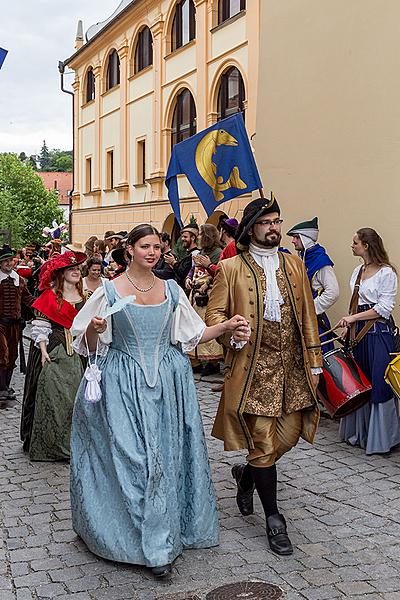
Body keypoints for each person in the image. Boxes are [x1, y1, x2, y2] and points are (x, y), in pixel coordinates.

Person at [70, 224, 249, 579]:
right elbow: (86, 345)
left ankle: (162, 542)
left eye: (156, 246)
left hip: (169, 383)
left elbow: (193, 334)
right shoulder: (109, 290)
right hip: (123, 382)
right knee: (135, 460)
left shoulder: (170, 288)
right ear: (129, 250)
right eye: (144, 246)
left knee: (164, 456)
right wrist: (96, 327)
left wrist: (226, 325)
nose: (152, 252)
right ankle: (146, 543)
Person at [206, 196, 322, 556]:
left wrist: (315, 361)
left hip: (292, 370)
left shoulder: (294, 264)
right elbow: (214, 317)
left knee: (288, 436)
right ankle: (274, 518)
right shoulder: (231, 269)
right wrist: (231, 333)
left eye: (277, 221)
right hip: (252, 370)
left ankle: (247, 477)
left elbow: (307, 316)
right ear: (251, 228)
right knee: (263, 445)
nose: (274, 227)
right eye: (266, 222)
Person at [337, 228, 400, 455]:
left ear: (366, 245)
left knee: (379, 384)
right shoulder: (357, 271)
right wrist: (348, 328)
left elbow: (384, 309)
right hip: (357, 335)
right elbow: (355, 304)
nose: (352, 245)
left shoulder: (387, 274)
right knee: (358, 383)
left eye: (355, 242)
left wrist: (353, 318)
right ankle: (359, 434)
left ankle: (383, 440)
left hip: (377, 335)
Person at [20, 251, 87, 461]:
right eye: (71, 269)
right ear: (61, 273)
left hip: (80, 353)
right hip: (55, 352)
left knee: (79, 399)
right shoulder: (49, 297)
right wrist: (43, 350)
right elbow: (41, 327)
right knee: (55, 399)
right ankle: (53, 445)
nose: (76, 271)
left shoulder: (87, 297)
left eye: (77, 268)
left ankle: (77, 444)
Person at [287, 217, 339, 352]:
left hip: (316, 321)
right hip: (303, 319)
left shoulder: (320, 261)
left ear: (306, 238)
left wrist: (311, 309)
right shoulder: (302, 258)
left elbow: (333, 292)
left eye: (296, 237)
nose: (293, 241)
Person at [0, 245, 35, 408]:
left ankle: (6, 386)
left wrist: (44, 307)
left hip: (15, 326)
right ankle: (1, 388)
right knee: (2, 355)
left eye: (10, 260)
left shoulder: (18, 280)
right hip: (0, 324)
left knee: (12, 356)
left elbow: (28, 299)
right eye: (5, 261)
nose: (8, 263)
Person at [186, 224, 223, 376]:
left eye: (201, 234)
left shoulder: (217, 253)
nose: (199, 237)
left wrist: (207, 281)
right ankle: (196, 360)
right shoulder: (201, 252)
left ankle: (212, 362)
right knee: (193, 326)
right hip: (194, 294)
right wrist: (188, 278)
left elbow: (220, 274)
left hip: (207, 295)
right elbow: (192, 269)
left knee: (206, 326)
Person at [164, 224, 199, 289]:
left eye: (185, 237)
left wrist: (173, 263)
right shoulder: (187, 254)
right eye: (182, 237)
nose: (182, 239)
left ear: (193, 238)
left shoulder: (195, 254)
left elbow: (184, 273)